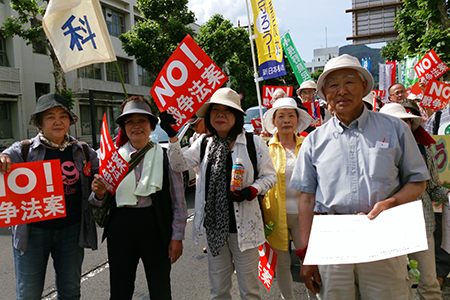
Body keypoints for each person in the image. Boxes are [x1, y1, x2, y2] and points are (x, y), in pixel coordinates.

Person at [290, 54, 429, 299]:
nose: (341, 90)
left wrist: (390, 203)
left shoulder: (394, 128)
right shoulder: (313, 141)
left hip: (383, 235)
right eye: (333, 85)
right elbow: (307, 200)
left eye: (349, 82)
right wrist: (307, 253)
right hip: (332, 240)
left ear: (364, 86)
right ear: (324, 93)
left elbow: (418, 181)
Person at [160, 87, 277, 299]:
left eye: (228, 110)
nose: (220, 114)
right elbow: (178, 165)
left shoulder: (253, 142)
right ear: (209, 115)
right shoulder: (204, 143)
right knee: (218, 291)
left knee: (250, 291)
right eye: (216, 110)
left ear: (237, 117)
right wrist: (172, 137)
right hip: (214, 229)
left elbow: (270, 177)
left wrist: (251, 190)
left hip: (245, 229)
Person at [0, 93, 99, 300]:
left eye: (63, 116)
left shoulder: (83, 151)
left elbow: (99, 186)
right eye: (50, 116)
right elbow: (4, 159)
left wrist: (100, 191)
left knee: (71, 291)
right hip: (33, 233)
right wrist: (2, 158)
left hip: (71, 231)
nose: (58, 121)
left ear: (70, 121)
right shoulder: (24, 150)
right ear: (39, 122)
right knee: (28, 294)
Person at [90, 96, 187, 300]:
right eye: (130, 121)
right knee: (120, 289)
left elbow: (178, 200)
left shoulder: (165, 156)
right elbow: (99, 199)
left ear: (151, 125)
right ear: (124, 127)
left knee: (160, 288)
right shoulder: (112, 157)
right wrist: (99, 193)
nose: (136, 126)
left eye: (142, 120)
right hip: (120, 228)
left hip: (155, 226)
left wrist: (177, 236)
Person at [381, 102, 444, 299]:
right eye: (395, 123)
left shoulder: (423, 151)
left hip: (422, 225)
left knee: (428, 282)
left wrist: (448, 196)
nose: (402, 127)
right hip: (387, 228)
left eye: (405, 122)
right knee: (395, 285)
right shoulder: (373, 155)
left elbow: (433, 188)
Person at [261, 97, 315, 300]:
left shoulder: (308, 144)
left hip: (305, 215)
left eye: (291, 115)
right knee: (282, 264)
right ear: (274, 121)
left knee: (309, 260)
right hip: (275, 214)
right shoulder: (265, 148)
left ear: (298, 119)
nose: (286, 120)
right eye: (281, 116)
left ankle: (314, 296)